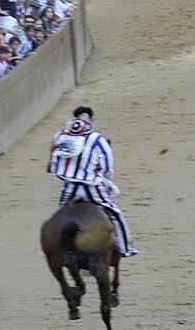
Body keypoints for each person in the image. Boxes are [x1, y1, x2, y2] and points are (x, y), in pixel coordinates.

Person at [48, 105, 136, 256]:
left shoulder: (61, 136)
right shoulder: (98, 139)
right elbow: (107, 166)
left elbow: (54, 162)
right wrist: (106, 182)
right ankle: (125, 248)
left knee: (62, 216)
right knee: (115, 214)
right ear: (90, 120)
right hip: (92, 187)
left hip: (70, 188)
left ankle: (62, 250)